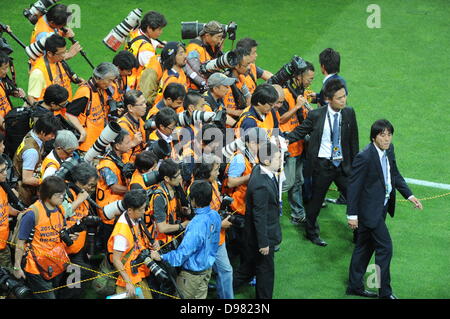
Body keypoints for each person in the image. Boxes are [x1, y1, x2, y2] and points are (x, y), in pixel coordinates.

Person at [346, 119, 423, 299]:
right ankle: (384, 292)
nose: (387, 139)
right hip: (369, 212)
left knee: (365, 246)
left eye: (389, 134)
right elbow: (354, 186)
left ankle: (354, 286)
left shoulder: (389, 150)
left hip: (381, 208)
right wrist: (352, 215)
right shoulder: (364, 156)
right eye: (383, 135)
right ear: (374, 137)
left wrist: (410, 196)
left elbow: (394, 174)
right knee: (385, 248)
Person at [285, 78, 359, 246]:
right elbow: (299, 132)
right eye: (339, 98)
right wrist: (282, 140)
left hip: (343, 166)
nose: (343, 100)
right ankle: (311, 233)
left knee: (355, 199)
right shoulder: (315, 115)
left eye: (344, 96)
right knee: (315, 203)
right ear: (328, 99)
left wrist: (355, 166)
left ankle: (359, 234)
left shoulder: (349, 113)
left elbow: (353, 141)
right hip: (323, 166)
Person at [151, 180, 221, 299]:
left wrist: (161, 257)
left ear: (193, 200)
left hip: (191, 276)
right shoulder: (215, 215)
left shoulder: (195, 225)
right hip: (206, 270)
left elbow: (182, 255)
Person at [233, 141, 282, 299]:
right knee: (265, 272)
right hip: (261, 237)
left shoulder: (258, 169)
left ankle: (224, 288)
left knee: (249, 268)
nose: (281, 161)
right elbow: (259, 216)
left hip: (255, 235)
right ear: (267, 161)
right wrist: (264, 243)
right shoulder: (261, 185)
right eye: (278, 159)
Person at [13, 176, 71, 299]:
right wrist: (17, 267)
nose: (62, 198)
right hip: (35, 267)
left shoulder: (60, 210)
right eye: (58, 195)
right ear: (47, 195)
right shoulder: (32, 213)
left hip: (56, 263)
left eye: (63, 194)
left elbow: (59, 232)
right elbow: (20, 243)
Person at [278, 61, 315, 224]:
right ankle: (269, 204)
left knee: (298, 182)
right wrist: (297, 106)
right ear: (298, 76)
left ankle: (298, 215)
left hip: (299, 145)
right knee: (288, 183)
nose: (310, 81)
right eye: (308, 78)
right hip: (289, 146)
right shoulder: (285, 94)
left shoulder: (301, 92)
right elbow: (279, 118)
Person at [193, 155, 234, 299]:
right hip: (209, 239)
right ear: (205, 172)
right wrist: (220, 224)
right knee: (225, 271)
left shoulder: (213, 183)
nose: (218, 173)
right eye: (215, 170)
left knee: (216, 271)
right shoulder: (198, 190)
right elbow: (199, 220)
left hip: (218, 237)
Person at [59, 162, 98, 299]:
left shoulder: (84, 195)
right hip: (61, 250)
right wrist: (80, 199)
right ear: (78, 182)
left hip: (77, 250)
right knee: (60, 285)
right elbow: (61, 213)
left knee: (74, 286)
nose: (92, 189)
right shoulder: (65, 193)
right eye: (90, 185)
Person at [108, 189, 156, 299]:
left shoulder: (134, 218)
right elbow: (116, 260)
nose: (144, 212)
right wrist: (128, 282)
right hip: (127, 280)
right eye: (141, 210)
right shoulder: (122, 232)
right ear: (130, 210)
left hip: (137, 274)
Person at [66, 62, 119, 152]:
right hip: (86, 146)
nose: (110, 84)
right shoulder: (85, 92)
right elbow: (70, 114)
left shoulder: (102, 89)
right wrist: (82, 131)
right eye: (109, 80)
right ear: (98, 78)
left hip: (99, 141)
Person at [95, 129, 132, 250]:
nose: (130, 144)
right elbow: (114, 187)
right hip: (108, 211)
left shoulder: (120, 157)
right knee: (109, 244)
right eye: (127, 142)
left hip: (118, 206)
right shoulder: (107, 164)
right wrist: (132, 190)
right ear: (117, 145)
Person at [13, 114, 60, 206]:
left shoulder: (32, 133)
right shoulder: (32, 152)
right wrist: (45, 181)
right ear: (42, 132)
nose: (53, 137)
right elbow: (27, 179)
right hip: (24, 192)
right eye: (52, 134)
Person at [28, 34, 79, 104]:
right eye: (61, 53)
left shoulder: (59, 61)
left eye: (65, 51)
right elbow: (32, 99)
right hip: (51, 113)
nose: (64, 55)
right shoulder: (38, 72)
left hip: (65, 108)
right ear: (49, 53)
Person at [126, 11, 167, 90]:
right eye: (159, 29)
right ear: (149, 28)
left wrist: (156, 44)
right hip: (135, 88)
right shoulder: (146, 50)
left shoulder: (135, 31)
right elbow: (154, 72)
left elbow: (140, 40)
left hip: (126, 79)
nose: (161, 32)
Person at [185, 21, 225, 91]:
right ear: (207, 36)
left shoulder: (210, 45)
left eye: (221, 37)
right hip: (195, 91)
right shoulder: (193, 49)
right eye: (218, 37)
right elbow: (198, 71)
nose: (219, 41)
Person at [0, 156, 20, 270]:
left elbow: (4, 206)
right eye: (1, 171)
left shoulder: (2, 187)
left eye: (5, 169)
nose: (5, 173)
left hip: (3, 243)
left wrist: (18, 213)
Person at [153, 42, 188, 106]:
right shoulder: (172, 79)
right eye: (181, 54)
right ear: (172, 58)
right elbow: (171, 105)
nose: (185, 56)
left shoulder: (179, 71)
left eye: (184, 52)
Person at [0, 52, 28, 132]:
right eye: (4, 68)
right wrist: (7, 127)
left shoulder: (1, 79)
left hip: (8, 120)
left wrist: (14, 92)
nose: (7, 71)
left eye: (7, 67)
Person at [117, 90, 148, 163]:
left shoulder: (139, 119)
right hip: (128, 165)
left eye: (145, 102)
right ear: (130, 107)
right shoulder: (122, 126)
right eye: (141, 104)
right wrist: (133, 143)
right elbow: (118, 150)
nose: (145, 106)